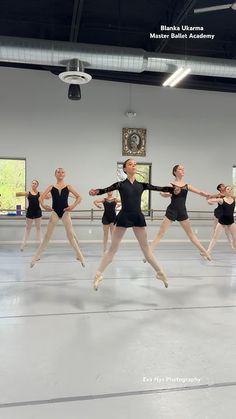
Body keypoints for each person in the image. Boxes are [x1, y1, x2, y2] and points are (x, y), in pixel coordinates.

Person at [89, 159, 180, 290]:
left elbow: (158, 188)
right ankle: (98, 275)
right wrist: (95, 191)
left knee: (146, 250)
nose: (134, 166)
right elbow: (105, 189)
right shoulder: (120, 184)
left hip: (137, 216)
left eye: (135, 164)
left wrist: (173, 190)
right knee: (112, 249)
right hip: (124, 216)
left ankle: (160, 273)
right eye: (130, 164)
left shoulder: (142, 185)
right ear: (125, 169)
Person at [147, 164, 211, 260]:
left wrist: (206, 195)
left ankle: (205, 252)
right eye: (180, 169)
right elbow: (163, 193)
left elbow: (199, 192)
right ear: (175, 172)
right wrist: (171, 193)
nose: (182, 170)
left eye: (183, 169)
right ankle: (148, 254)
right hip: (171, 211)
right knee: (160, 234)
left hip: (182, 212)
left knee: (191, 234)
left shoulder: (187, 186)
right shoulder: (171, 185)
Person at [30, 168, 84, 267]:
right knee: (47, 236)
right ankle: (36, 256)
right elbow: (40, 198)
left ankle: (80, 256)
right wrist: (44, 206)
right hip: (54, 212)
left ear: (65, 174)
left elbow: (79, 197)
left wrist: (72, 206)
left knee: (70, 235)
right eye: (58, 172)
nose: (60, 173)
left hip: (65, 212)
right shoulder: (51, 187)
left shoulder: (68, 186)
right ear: (55, 174)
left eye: (62, 172)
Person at [207, 185, 236, 255]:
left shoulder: (234, 199)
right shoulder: (221, 200)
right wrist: (210, 201)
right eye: (228, 189)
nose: (230, 190)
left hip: (231, 221)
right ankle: (208, 251)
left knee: (235, 237)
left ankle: (234, 247)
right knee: (215, 237)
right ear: (225, 191)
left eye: (231, 189)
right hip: (222, 221)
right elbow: (210, 200)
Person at [16, 180, 42, 251]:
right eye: (32, 183)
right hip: (30, 212)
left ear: (37, 185)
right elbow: (18, 194)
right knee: (28, 229)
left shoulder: (40, 193)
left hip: (38, 212)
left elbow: (48, 196)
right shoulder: (28, 193)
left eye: (35, 183)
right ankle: (23, 245)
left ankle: (41, 245)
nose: (33, 184)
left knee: (38, 229)